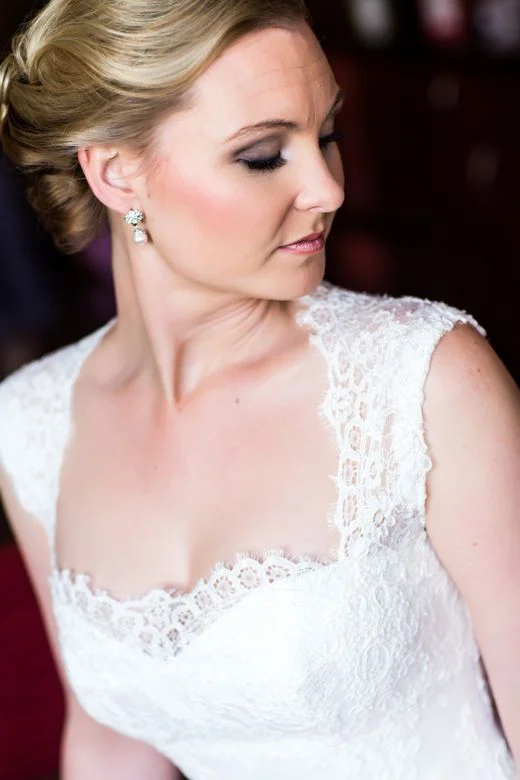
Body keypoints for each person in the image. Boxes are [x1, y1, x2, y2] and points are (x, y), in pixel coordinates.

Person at [0, 0, 518, 777]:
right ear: (115, 172)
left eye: (327, 135)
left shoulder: (426, 382)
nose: (328, 188)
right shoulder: (31, 426)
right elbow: (110, 741)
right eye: (263, 155)